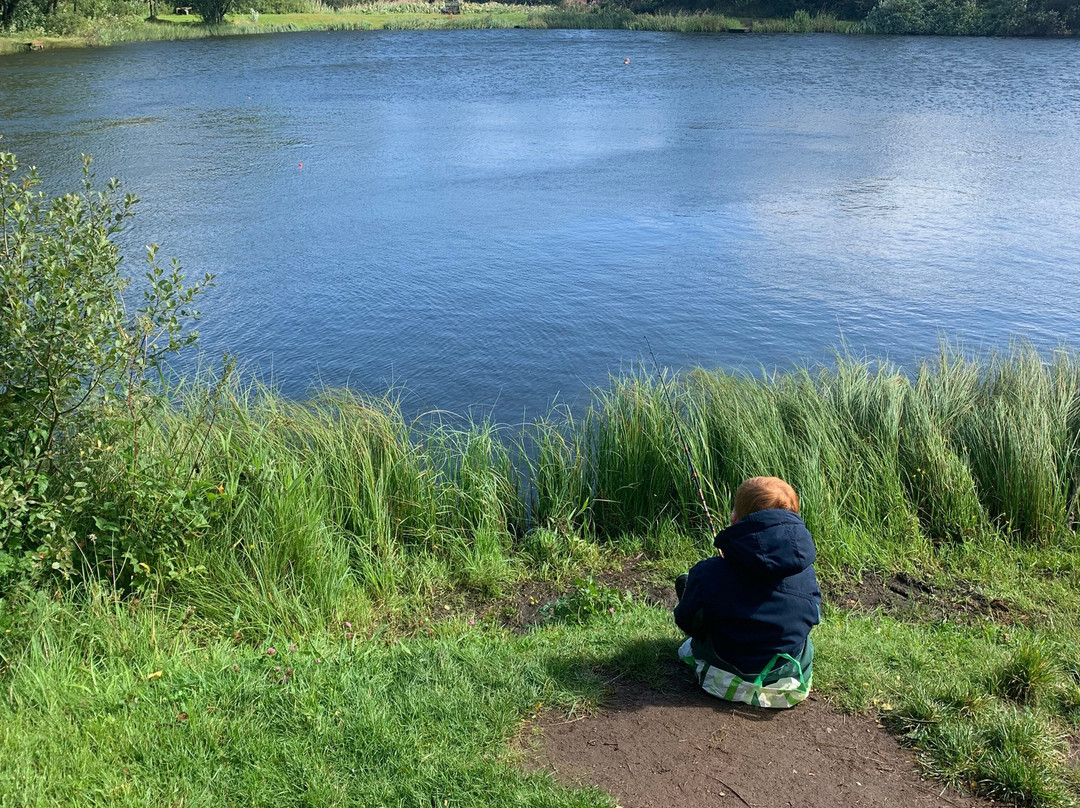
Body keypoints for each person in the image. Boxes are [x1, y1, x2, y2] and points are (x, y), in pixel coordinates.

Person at [673, 476, 820, 709]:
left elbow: (686, 621)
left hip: (722, 679)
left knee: (695, 596)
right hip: (786, 682)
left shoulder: (709, 572)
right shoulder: (806, 572)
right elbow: (813, 618)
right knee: (805, 642)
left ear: (735, 520)